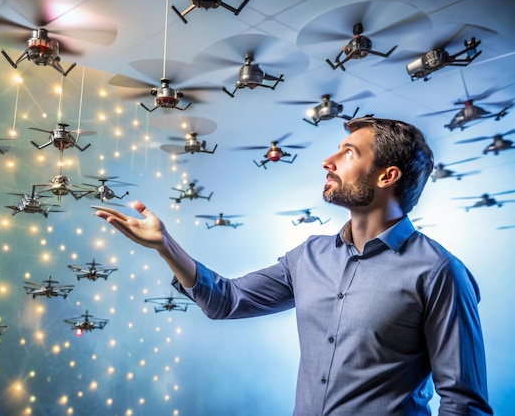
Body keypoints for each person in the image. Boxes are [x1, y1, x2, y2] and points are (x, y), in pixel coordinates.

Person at [94, 117, 492, 415]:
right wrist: (165, 245)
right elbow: (226, 300)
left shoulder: (440, 272)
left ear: (388, 175)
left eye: (348, 153)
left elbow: (464, 402)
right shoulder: (310, 256)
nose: (328, 161)